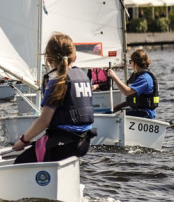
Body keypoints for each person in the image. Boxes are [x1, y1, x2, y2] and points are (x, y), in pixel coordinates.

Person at [11, 32, 94, 163]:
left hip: (63, 143)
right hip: (83, 143)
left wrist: (23, 140)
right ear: (75, 57)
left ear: (49, 59)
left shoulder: (56, 83)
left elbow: (44, 121)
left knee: (20, 162)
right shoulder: (85, 78)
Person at [108, 48, 158, 119]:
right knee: (110, 113)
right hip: (139, 111)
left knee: (113, 116)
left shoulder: (144, 78)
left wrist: (114, 76)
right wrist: (119, 106)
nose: (130, 63)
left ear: (134, 62)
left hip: (146, 114)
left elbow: (126, 92)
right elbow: (135, 99)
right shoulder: (140, 76)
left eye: (130, 61)